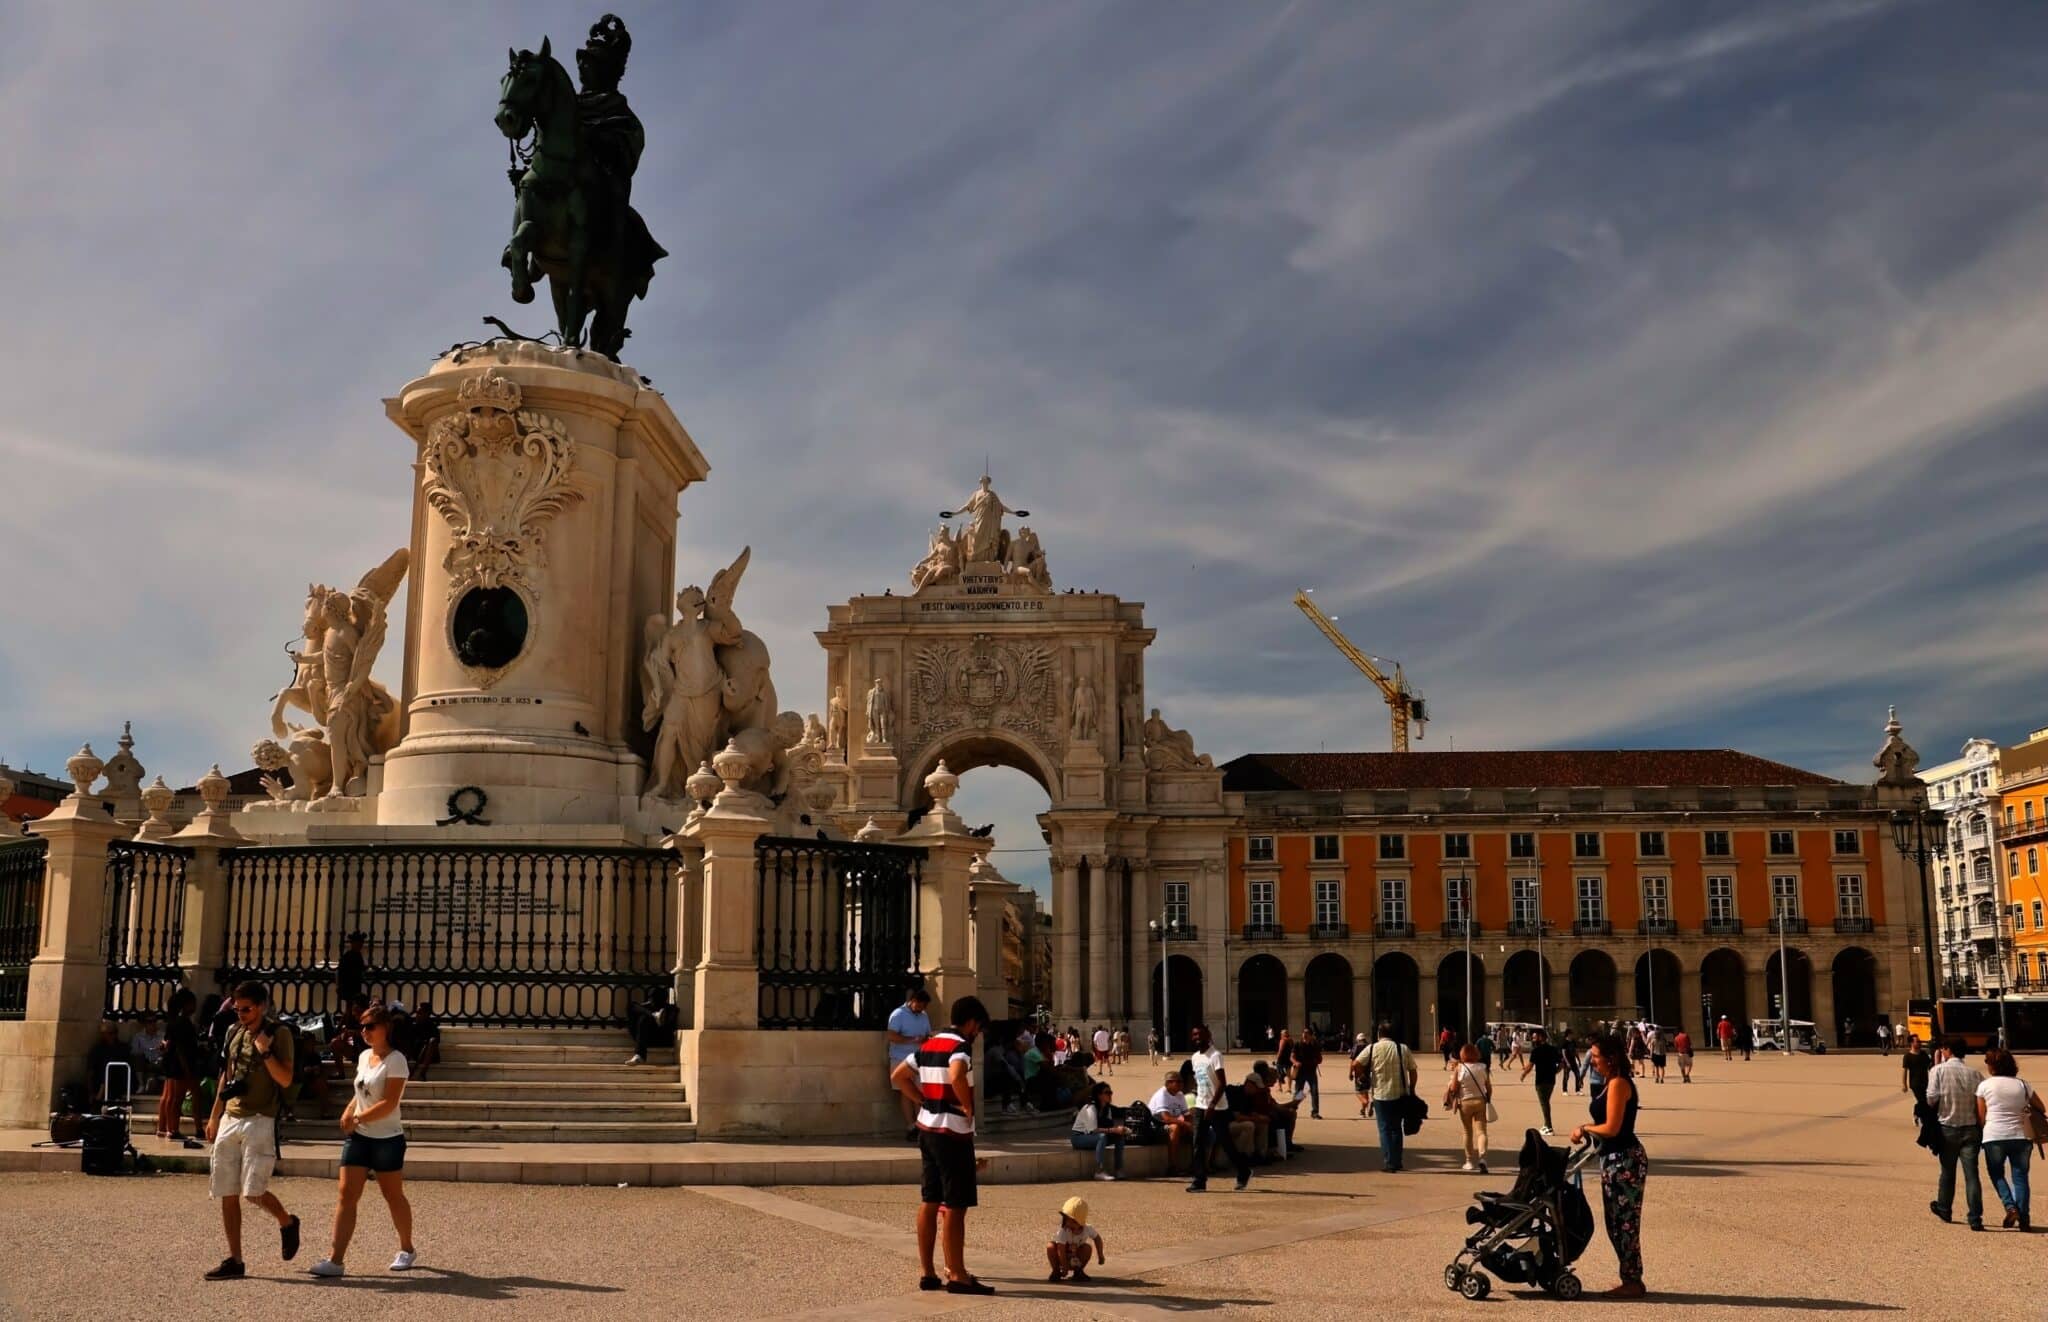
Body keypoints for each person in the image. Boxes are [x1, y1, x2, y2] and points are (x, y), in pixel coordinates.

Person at [891, 995, 993, 1296]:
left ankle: (928, 1272)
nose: (978, 1034)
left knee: (930, 1199)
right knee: (956, 1205)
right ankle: (958, 1274)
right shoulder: (959, 1047)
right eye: (979, 1028)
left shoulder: (929, 1044)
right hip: (953, 1133)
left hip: (927, 1129)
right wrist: (966, 1106)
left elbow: (898, 1076)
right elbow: (957, 1074)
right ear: (972, 1023)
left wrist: (922, 1100)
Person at [308, 1004, 417, 1277]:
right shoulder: (365, 1055)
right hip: (360, 1137)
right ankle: (336, 1260)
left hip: (387, 1138)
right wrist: (348, 1112)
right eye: (362, 1026)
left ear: (386, 1029)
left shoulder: (397, 1060)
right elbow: (361, 1092)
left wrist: (357, 1118)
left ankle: (407, 1247)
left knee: (392, 1195)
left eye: (370, 1026)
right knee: (346, 1194)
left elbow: (390, 1102)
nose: (364, 1032)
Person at [204, 982, 301, 1281]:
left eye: (246, 1009)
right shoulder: (233, 1032)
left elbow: (285, 1079)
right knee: (226, 1190)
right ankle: (235, 1259)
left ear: (261, 1006)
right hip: (231, 1117)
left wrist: (265, 1051)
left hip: (261, 1117)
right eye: (237, 1009)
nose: (241, 1014)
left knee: (253, 1191)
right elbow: (227, 1075)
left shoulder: (279, 1033)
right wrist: (214, 1115)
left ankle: (287, 1222)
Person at [1570, 1032, 1648, 1297]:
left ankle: (1632, 1282)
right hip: (1612, 1159)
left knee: (1625, 1223)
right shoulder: (1610, 1081)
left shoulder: (1618, 1084)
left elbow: (1613, 1128)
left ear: (1611, 1058)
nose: (1592, 1061)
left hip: (1625, 1159)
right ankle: (1631, 1278)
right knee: (1615, 1222)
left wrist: (1585, 1128)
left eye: (1595, 1056)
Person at [1976, 1047, 2045, 1231]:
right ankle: (2024, 1218)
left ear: (1992, 1066)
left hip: (1994, 1135)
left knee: (1996, 1173)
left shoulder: (1985, 1086)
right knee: (2020, 1177)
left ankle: (2010, 1206)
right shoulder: (2023, 1084)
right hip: (2021, 1136)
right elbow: (2041, 1107)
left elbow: (1981, 1117)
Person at [1926, 1038, 1987, 1230]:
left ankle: (1945, 1207)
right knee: (1972, 1174)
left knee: (1948, 1171)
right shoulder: (1975, 1074)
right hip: (1971, 1128)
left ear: (1947, 1050)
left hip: (1948, 1127)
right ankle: (1975, 1216)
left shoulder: (1938, 1070)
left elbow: (1931, 1099)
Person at [1186, 1023, 1250, 1192]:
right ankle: (1199, 1180)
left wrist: (1212, 1104)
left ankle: (1243, 1170)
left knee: (1225, 1142)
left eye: (1200, 1034)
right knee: (1197, 1142)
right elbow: (1200, 1081)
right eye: (1194, 1035)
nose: (1197, 1037)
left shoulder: (1215, 1055)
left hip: (1218, 1107)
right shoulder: (1194, 1057)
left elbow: (1222, 1083)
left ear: (1208, 1035)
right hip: (1201, 1105)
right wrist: (1197, 1101)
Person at [1362, 1021, 1418, 1173]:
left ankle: (1389, 1162)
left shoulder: (1372, 1048)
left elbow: (1356, 1063)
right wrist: (1411, 1088)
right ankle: (1397, 1161)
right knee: (1396, 1129)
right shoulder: (1403, 1048)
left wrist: (1362, 1076)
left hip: (1381, 1094)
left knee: (1384, 1129)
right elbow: (1413, 1070)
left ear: (1379, 1034)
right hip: (1400, 1094)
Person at [886, 986, 934, 1140]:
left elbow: (927, 1034)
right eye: (920, 1005)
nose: (921, 1009)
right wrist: (912, 1040)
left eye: (924, 1006)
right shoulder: (898, 1014)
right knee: (906, 1093)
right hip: (901, 1059)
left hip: (918, 1059)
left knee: (919, 1092)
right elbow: (892, 1036)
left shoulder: (924, 1016)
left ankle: (920, 1124)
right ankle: (910, 1126)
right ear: (912, 1001)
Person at [160, 990, 204, 1144]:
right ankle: (173, 1129)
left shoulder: (176, 1021)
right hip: (182, 1065)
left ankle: (169, 1128)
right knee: (177, 1099)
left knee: (175, 1098)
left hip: (176, 1064)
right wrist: (186, 1069)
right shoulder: (182, 1023)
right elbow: (180, 1048)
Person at [1444, 1043, 1492, 1173]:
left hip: (1465, 1102)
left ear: (1462, 1054)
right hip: (1480, 1101)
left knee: (1467, 1131)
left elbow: (1454, 1088)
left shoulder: (1459, 1068)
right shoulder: (1483, 1067)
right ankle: (1482, 1158)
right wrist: (1488, 1099)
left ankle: (1469, 1161)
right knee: (1481, 1131)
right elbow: (1489, 1087)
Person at [1070, 1081, 1128, 1180]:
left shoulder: (1107, 1108)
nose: (1110, 1095)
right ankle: (1099, 1171)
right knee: (1102, 1137)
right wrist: (1114, 1130)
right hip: (1079, 1137)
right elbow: (1093, 1130)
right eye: (1107, 1093)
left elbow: (1109, 1126)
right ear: (1099, 1095)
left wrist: (1120, 1131)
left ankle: (1118, 1170)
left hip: (1094, 1136)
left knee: (1119, 1136)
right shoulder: (1090, 1108)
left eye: (1111, 1092)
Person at [1046, 1195, 1106, 1283]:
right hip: (1061, 1258)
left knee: (1087, 1248)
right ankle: (1056, 1271)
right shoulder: (1063, 1231)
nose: (1069, 1224)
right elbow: (1060, 1249)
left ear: (1080, 1222)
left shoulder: (1087, 1229)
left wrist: (1100, 1255)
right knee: (1050, 1246)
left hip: (1076, 1258)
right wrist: (1064, 1266)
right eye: (1066, 1220)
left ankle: (1078, 1271)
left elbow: (1097, 1239)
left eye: (1073, 1222)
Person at [1148, 1072, 1195, 1173]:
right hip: (1156, 1127)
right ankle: (1172, 1166)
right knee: (1175, 1128)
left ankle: (1195, 1164)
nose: (1181, 1084)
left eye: (1181, 1081)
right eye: (1178, 1082)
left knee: (1196, 1129)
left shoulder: (1180, 1094)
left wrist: (1191, 1124)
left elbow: (1187, 1115)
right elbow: (1166, 1119)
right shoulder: (1162, 1094)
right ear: (1168, 1083)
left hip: (1174, 1124)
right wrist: (1184, 1124)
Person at [1522, 1026, 1562, 1134]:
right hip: (1551, 1080)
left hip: (1540, 1081)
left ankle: (1549, 1127)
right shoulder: (1553, 1049)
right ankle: (1546, 1125)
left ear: (1541, 1037)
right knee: (1546, 1102)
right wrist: (1555, 1071)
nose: (1533, 1040)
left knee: (1544, 1103)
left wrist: (1523, 1075)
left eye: (1535, 1038)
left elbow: (1530, 1066)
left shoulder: (1536, 1051)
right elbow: (1562, 1063)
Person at [625, 985, 678, 1067]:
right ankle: (639, 1055)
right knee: (639, 1012)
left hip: (662, 1040)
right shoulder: (646, 1008)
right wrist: (652, 1014)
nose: (651, 1000)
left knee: (644, 1018)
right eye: (650, 998)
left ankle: (639, 1055)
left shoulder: (670, 1009)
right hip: (644, 1039)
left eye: (653, 998)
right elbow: (631, 1006)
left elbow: (669, 1026)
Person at [1295, 1030, 1325, 1119]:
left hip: (1311, 1072)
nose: (1304, 1035)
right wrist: (1296, 1062)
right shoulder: (1298, 1044)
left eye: (1307, 1033)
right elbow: (1292, 1056)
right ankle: (1292, 1109)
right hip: (1300, 1072)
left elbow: (1320, 1058)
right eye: (1303, 1033)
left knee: (1314, 1092)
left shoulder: (1314, 1045)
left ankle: (1315, 1112)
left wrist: (1317, 1060)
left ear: (1311, 1036)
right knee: (1299, 1092)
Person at [338, 932, 367, 1008]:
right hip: (349, 985)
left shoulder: (356, 955)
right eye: (358, 943)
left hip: (354, 984)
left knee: (352, 1005)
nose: (360, 945)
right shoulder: (349, 956)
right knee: (351, 1005)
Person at [1902, 1035, 1932, 1109]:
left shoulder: (1924, 1054)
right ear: (1912, 1043)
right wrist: (1904, 1084)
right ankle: (1918, 1113)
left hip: (1926, 1082)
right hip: (1915, 1084)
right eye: (1918, 1041)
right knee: (1922, 1101)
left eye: (1920, 1041)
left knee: (1926, 1102)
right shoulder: (1907, 1056)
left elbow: (1930, 1067)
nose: (1920, 1043)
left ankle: (1919, 1114)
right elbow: (1904, 1071)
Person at [1349, 1032, 1373, 1116]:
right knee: (1365, 1091)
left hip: (1359, 1074)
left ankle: (1366, 1103)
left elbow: (1353, 1062)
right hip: (1367, 1073)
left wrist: (1350, 1073)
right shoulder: (1369, 1047)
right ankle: (1363, 1111)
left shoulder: (1356, 1047)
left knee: (1358, 1092)